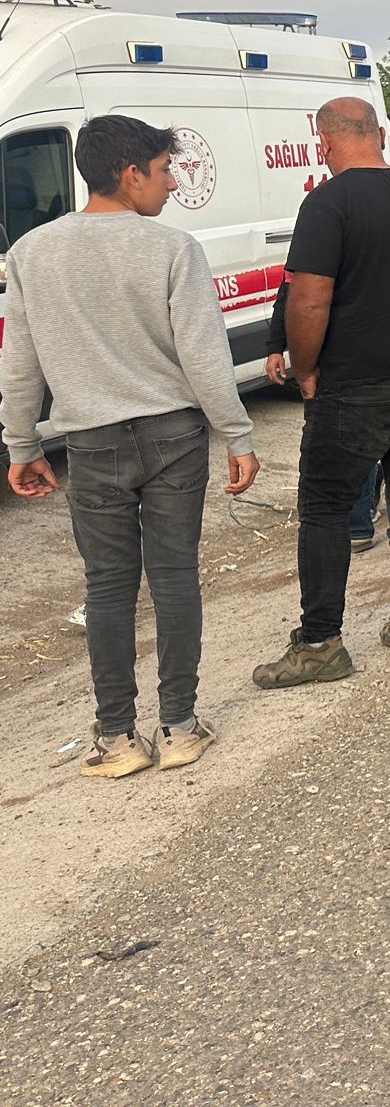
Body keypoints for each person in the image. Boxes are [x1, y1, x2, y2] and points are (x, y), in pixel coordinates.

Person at [2, 115, 259, 776]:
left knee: (108, 587)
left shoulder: (31, 253)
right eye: (165, 169)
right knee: (174, 579)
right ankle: (178, 727)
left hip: (91, 441)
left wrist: (21, 442)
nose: (172, 183)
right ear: (130, 173)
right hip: (174, 432)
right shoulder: (171, 248)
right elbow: (203, 356)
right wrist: (236, 433)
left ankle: (116, 739)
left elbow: (21, 360)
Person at [253, 97, 390, 687]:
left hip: (355, 383)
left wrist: (305, 370)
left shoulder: (328, 202)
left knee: (326, 509)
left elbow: (309, 297)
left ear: (324, 143)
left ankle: (321, 643)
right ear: (379, 135)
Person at [265, 276, 390, 552]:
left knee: (385, 443)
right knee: (357, 444)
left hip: (377, 359)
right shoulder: (316, 245)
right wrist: (275, 348)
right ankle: (361, 527)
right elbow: (289, 295)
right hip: (339, 366)